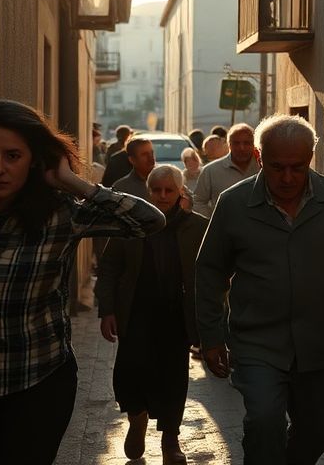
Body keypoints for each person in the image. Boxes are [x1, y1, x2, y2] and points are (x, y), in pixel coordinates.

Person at [0, 100, 164, 465]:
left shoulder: (61, 214)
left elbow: (149, 221)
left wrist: (75, 183)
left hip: (37, 384)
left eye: (13, 155)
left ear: (34, 159)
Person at [195, 115, 324, 464]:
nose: (287, 178)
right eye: (277, 167)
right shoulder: (234, 204)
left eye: (297, 168)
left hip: (322, 344)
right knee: (264, 422)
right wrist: (211, 336)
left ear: (310, 159)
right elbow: (209, 272)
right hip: (258, 342)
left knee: (322, 428)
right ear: (260, 158)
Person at [95, 165, 206, 463]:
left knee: (173, 379)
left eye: (169, 190)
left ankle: (171, 440)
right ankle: (137, 418)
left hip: (175, 318)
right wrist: (106, 310)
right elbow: (108, 268)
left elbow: (211, 277)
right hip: (136, 314)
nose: (162, 196)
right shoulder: (130, 225)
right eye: (157, 190)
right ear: (148, 192)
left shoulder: (197, 227)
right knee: (130, 373)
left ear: (180, 192)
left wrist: (209, 323)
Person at [191, 123, 259, 217]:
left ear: (254, 144)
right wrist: (214, 218)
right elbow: (197, 201)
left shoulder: (264, 168)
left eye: (246, 143)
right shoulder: (211, 171)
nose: (241, 148)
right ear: (229, 145)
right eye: (236, 143)